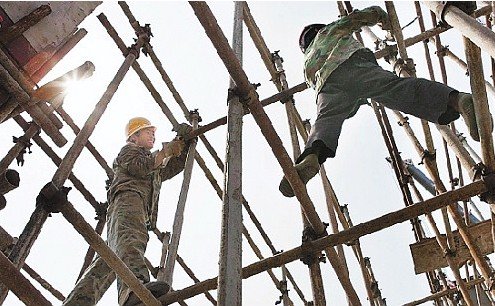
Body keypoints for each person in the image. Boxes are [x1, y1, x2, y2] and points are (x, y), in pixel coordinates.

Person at [279, 5, 491, 198]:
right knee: (398, 90)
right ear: (319, 30)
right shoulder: (329, 31)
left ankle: (313, 156)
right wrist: (386, 24)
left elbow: (342, 104)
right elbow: (366, 15)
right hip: (353, 63)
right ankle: (457, 100)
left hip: (326, 84)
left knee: (326, 121)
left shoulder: (307, 63)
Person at [63, 117, 192, 306]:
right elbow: (140, 167)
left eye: (154, 134)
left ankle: (77, 303)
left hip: (131, 205)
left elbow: (170, 168)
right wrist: (165, 152)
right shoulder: (129, 151)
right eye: (149, 132)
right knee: (131, 239)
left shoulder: (152, 162)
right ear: (134, 137)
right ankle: (134, 289)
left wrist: (184, 144)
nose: (153, 136)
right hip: (127, 200)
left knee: (107, 263)